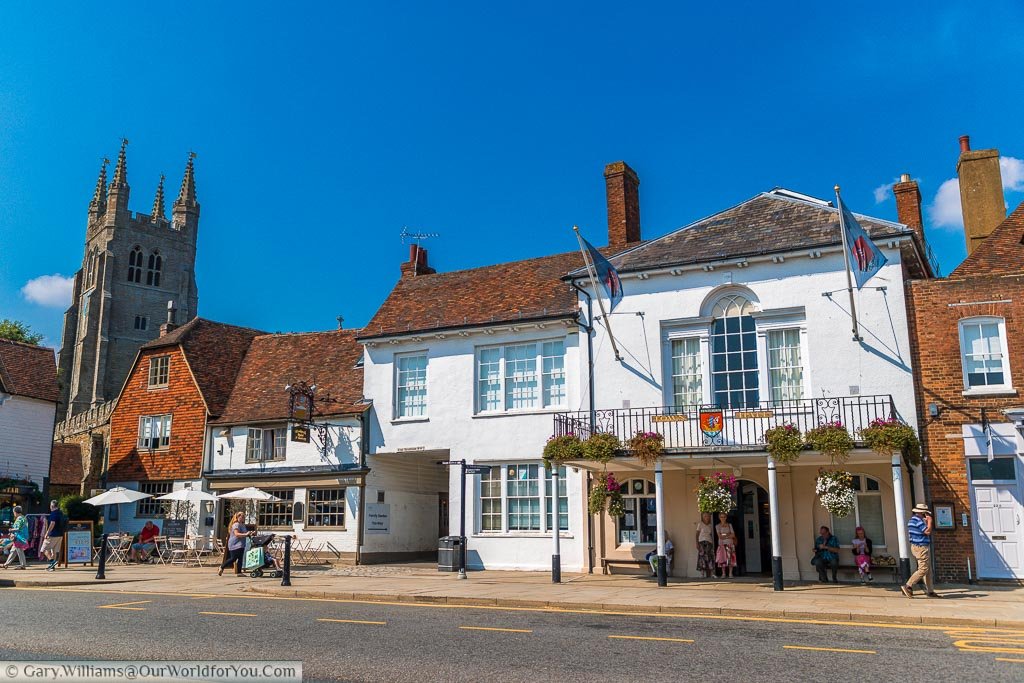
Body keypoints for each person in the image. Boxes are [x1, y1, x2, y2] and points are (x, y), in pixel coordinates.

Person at [902, 503, 938, 598]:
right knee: (923, 569)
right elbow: (927, 531)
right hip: (921, 546)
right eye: (925, 513)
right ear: (922, 513)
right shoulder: (918, 521)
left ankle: (930, 591)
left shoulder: (912, 520)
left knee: (928, 569)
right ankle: (908, 585)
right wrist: (930, 522)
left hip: (916, 546)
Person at [218, 511, 253, 577]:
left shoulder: (242, 525)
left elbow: (244, 533)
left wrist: (250, 533)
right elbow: (237, 534)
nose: (243, 518)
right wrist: (246, 534)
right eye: (242, 517)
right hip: (235, 544)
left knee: (240, 558)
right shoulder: (236, 524)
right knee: (233, 558)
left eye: (244, 517)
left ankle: (239, 572)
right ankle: (221, 567)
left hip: (241, 544)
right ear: (237, 517)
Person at [40, 500, 64, 571]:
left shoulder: (53, 513)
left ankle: (52, 562)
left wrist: (47, 533)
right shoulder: (61, 513)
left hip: (53, 535)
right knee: (54, 551)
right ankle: (52, 567)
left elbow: (52, 523)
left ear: (52, 506)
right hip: (60, 535)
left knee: (44, 549)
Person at [715, 512, 737, 578]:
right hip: (722, 544)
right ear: (719, 518)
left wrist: (725, 535)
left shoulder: (729, 525)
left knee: (730, 559)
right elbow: (720, 536)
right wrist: (728, 535)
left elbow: (733, 535)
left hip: (730, 543)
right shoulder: (717, 526)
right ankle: (723, 573)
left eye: (724, 517)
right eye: (721, 517)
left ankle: (730, 573)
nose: (723, 518)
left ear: (726, 517)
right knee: (722, 559)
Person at [696, 512, 716, 578]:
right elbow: (697, 534)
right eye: (705, 516)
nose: (706, 517)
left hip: (709, 542)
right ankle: (702, 574)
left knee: (710, 557)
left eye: (707, 516)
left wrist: (712, 543)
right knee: (702, 557)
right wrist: (697, 543)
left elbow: (711, 534)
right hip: (702, 542)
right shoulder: (700, 524)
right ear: (702, 517)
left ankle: (712, 573)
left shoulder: (710, 525)